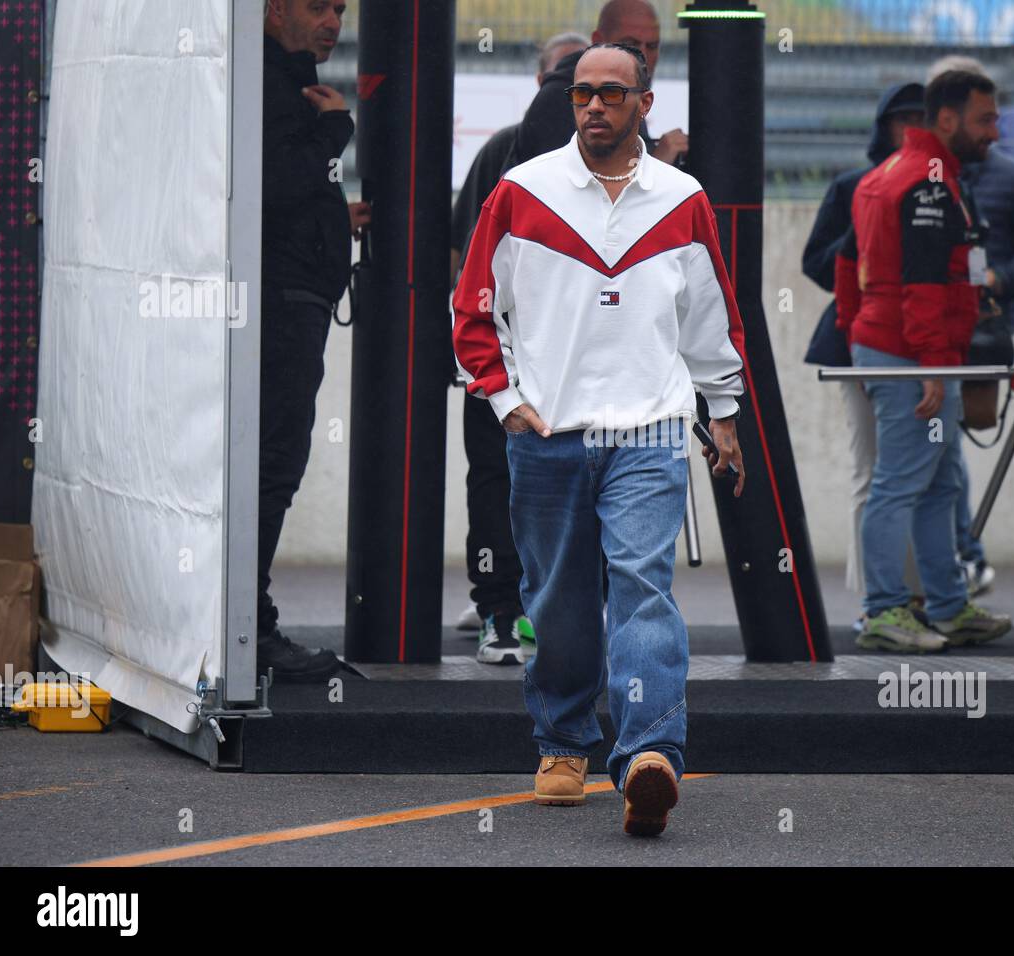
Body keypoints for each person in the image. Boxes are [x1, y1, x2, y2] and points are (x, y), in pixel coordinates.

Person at [452, 43, 746, 835]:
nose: (593, 106)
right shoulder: (521, 191)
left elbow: (711, 317)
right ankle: (563, 742)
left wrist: (722, 413)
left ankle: (650, 751)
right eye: (583, 92)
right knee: (561, 603)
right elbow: (474, 310)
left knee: (643, 588)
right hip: (547, 436)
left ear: (644, 104)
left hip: (650, 433)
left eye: (612, 93)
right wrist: (507, 400)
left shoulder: (683, 198)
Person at [847, 70, 1012, 653]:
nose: (994, 131)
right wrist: (931, 366)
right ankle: (884, 611)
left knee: (941, 482)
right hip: (910, 355)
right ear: (946, 119)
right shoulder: (928, 182)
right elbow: (921, 284)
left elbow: (848, 263)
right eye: (984, 119)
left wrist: (857, 331)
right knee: (898, 484)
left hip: (897, 348)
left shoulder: (891, 173)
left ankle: (945, 605)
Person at [448, 32, 588, 665]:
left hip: (536, 362)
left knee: (514, 481)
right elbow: (465, 260)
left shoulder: (623, 168)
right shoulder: (512, 155)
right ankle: (512, 610)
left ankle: (514, 611)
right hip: (532, 360)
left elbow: (461, 257)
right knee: (519, 482)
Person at [257, 0, 367, 682]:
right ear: (272, 9)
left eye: (340, 9)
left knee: (275, 465)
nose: (333, 20)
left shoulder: (287, 81)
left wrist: (335, 213)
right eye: (318, 4)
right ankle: (250, 627)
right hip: (279, 310)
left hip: (292, 303)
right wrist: (335, 134)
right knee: (271, 465)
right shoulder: (271, 85)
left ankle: (248, 620)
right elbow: (271, 180)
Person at [925, 57, 1014, 598]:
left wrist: (998, 279)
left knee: (944, 440)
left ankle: (958, 561)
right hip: (923, 337)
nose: (994, 131)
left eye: (997, 119)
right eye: (985, 119)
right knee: (939, 444)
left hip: (981, 336)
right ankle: (961, 558)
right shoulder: (910, 175)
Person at [807, 83, 925, 627]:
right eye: (902, 120)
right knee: (871, 468)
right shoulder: (853, 185)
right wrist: (866, 227)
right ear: (885, 126)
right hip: (861, 340)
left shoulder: (940, 186)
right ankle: (877, 600)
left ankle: (922, 594)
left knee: (928, 474)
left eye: (920, 120)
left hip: (924, 340)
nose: (911, 130)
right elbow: (816, 262)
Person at [505, 0, 687, 171]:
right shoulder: (557, 100)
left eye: (653, 46)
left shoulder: (632, 91)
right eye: (630, 44)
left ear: (646, 102)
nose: (643, 56)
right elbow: (581, 190)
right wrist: (657, 163)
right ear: (598, 40)